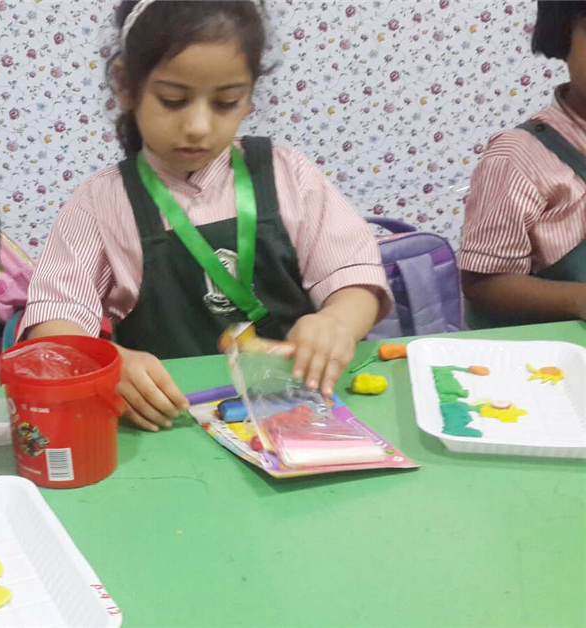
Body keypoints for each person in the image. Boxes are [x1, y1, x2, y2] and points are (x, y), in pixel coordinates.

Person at [21, 0, 391, 431]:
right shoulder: (101, 203)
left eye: (225, 102)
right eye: (173, 100)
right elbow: (53, 324)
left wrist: (337, 322)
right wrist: (105, 363)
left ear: (249, 95)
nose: (198, 126)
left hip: (304, 415)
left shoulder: (289, 175)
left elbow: (356, 280)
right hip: (174, 427)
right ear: (125, 86)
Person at [459, 0, 586, 328]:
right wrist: (578, 299)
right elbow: (482, 284)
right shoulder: (516, 158)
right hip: (549, 352)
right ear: (562, 35)